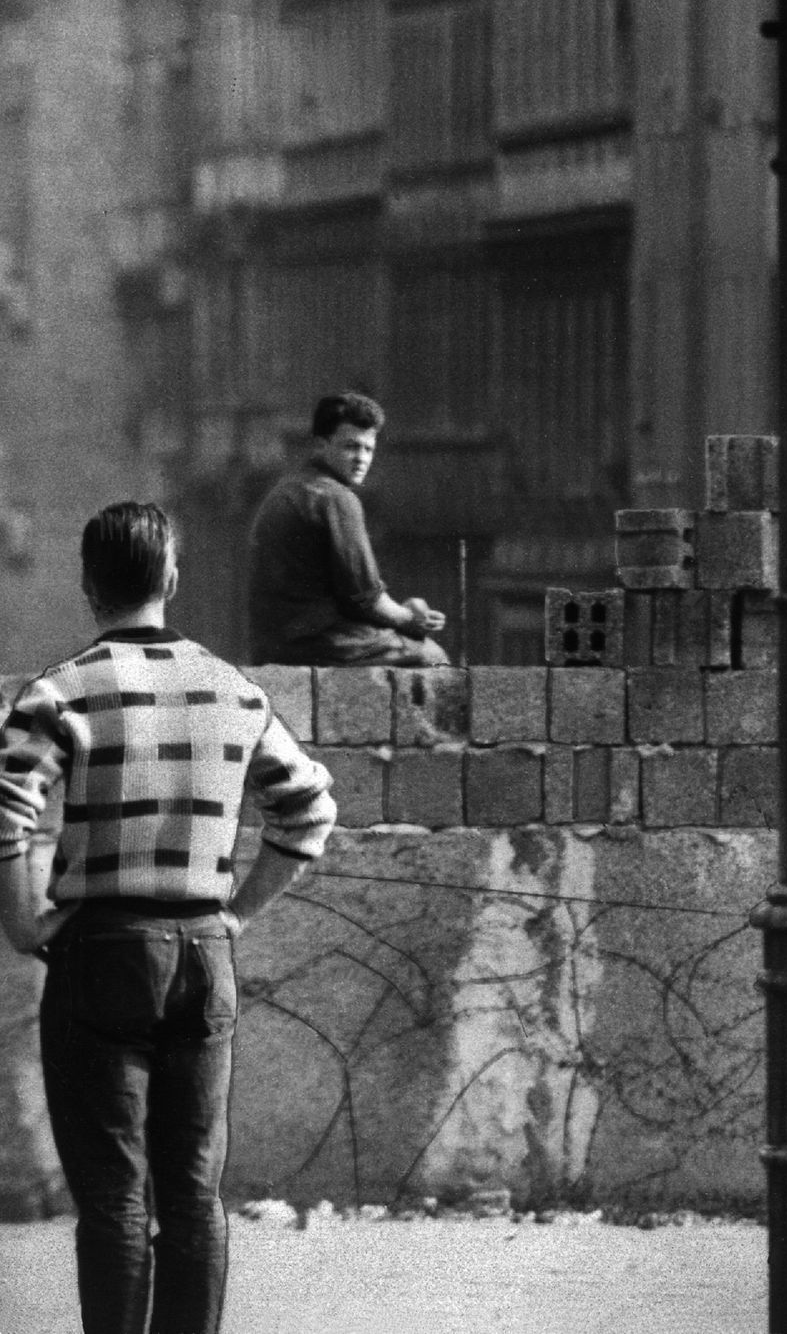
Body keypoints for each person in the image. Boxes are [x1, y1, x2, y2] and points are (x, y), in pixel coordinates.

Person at [0, 502, 337, 1334]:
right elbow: (309, 811)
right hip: (202, 954)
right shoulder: (233, 689)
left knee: (114, 1196)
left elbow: (8, 805)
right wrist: (236, 915)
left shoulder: (58, 691)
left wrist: (23, 919)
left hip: (100, 953)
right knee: (192, 1194)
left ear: (88, 587)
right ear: (172, 580)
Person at [247, 391, 450, 666]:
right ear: (321, 445)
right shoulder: (336, 498)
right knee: (433, 657)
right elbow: (365, 599)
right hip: (319, 643)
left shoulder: (286, 490)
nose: (361, 459)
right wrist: (410, 618)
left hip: (271, 644)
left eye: (368, 449)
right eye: (350, 447)